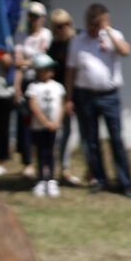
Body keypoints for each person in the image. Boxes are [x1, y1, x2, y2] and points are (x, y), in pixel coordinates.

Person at [64, 3, 131, 196]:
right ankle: (99, 178)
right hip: (85, 95)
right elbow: (70, 71)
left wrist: (108, 30)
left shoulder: (113, 36)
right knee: (90, 140)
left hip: (109, 95)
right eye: (91, 24)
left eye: (97, 24)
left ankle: (124, 182)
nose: (94, 28)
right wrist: (69, 98)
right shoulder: (78, 40)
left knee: (116, 139)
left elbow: (125, 51)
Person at [13, 1, 52, 175]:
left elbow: (42, 61)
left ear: (42, 18)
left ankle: (44, 160)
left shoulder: (46, 35)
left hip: (42, 82)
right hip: (26, 81)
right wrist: (16, 88)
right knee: (25, 123)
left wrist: (27, 62)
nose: (33, 20)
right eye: (30, 16)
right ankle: (27, 161)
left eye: (36, 17)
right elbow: (17, 63)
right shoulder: (21, 36)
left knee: (43, 121)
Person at [24, 53, 66, 198]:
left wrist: (56, 122)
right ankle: (41, 179)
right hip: (39, 127)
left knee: (52, 153)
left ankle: (52, 180)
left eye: (50, 69)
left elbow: (61, 105)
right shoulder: (33, 87)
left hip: (54, 127)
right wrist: (45, 122)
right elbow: (33, 105)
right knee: (41, 152)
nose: (48, 72)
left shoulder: (58, 87)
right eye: (44, 69)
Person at [46, 9, 78, 182]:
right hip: (61, 95)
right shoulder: (53, 47)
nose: (63, 28)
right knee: (64, 132)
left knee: (86, 135)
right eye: (59, 26)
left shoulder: (78, 40)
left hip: (81, 91)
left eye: (66, 24)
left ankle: (92, 171)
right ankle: (63, 168)